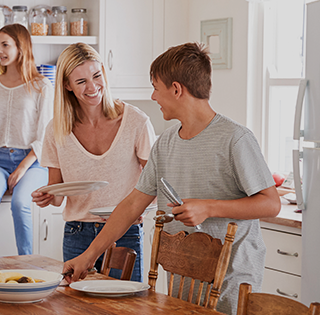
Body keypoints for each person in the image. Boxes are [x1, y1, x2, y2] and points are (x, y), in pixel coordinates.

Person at [61, 42, 280, 315]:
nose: (153, 96)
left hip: (229, 278)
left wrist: (208, 207)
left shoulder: (235, 138)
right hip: (184, 275)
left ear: (176, 89)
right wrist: (88, 256)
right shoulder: (165, 143)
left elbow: (270, 204)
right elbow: (132, 205)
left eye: (155, 87)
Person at [31, 43, 155, 282]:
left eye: (96, 76)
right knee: (77, 306)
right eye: (81, 82)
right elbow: (57, 194)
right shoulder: (56, 130)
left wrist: (141, 209)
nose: (92, 87)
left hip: (124, 232)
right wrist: (46, 196)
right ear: (67, 86)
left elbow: (154, 179)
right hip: (77, 232)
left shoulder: (136, 121)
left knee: (127, 307)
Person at [0, 24, 53, 257]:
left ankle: (25, 261)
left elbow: (46, 134)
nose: (0, 51)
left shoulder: (41, 86)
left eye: (5, 45)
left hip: (33, 162)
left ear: (21, 47)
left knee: (19, 204)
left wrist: (21, 169)